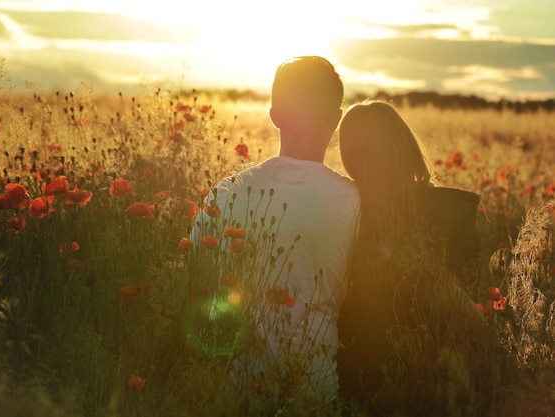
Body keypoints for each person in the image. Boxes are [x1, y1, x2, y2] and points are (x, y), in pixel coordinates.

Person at [191, 56, 360, 412]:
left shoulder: (227, 194)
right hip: (316, 391)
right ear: (336, 120)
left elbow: (195, 280)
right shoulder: (355, 202)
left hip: (239, 390)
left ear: (274, 116)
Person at [336, 100, 511, 415]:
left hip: (360, 382)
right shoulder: (452, 213)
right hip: (446, 379)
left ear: (351, 157)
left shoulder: (348, 211)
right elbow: (467, 295)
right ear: (404, 145)